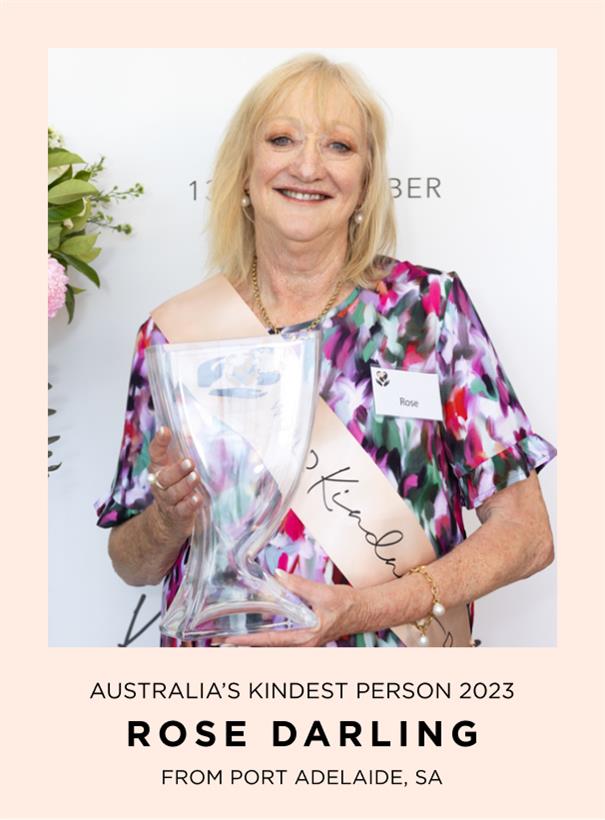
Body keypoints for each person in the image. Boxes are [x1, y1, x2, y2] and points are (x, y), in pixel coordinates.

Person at [95, 53, 556, 648]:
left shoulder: (428, 311)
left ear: (365, 182)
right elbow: (131, 563)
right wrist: (167, 517)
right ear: (244, 171)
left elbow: (527, 534)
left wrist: (367, 608)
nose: (308, 166)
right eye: (282, 139)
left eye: (339, 146)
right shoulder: (174, 334)